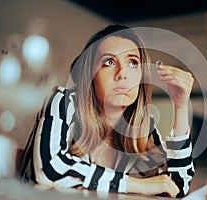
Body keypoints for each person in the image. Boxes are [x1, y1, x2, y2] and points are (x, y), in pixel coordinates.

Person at [19, 24, 195, 198]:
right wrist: (136, 185)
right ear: (90, 74)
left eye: (133, 63)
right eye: (109, 62)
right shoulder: (63, 101)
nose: (122, 74)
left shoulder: (142, 127)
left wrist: (180, 106)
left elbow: (175, 187)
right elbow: (47, 170)